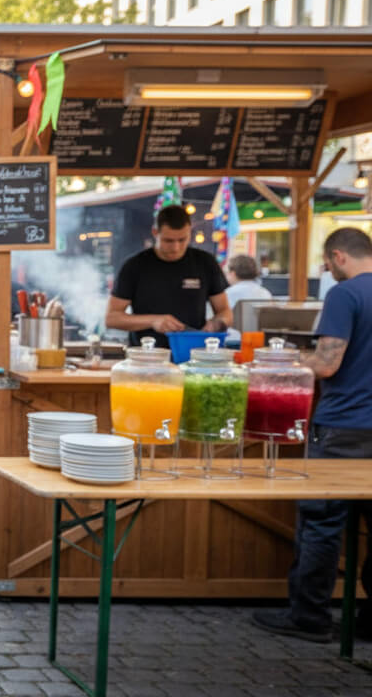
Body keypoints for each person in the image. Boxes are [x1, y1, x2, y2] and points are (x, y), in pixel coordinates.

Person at [252, 228, 372, 643]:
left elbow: (326, 365)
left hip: (344, 428)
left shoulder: (345, 294)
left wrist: (284, 359)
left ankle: (309, 616)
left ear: (338, 256)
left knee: (322, 521)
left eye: (326, 263)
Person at [104, 205, 231, 344]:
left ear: (190, 232)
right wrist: (153, 321)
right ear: (155, 232)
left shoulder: (206, 262)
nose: (176, 248)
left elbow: (225, 312)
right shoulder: (134, 266)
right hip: (146, 356)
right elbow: (112, 318)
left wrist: (216, 324)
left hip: (193, 352)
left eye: (182, 240)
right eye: (168, 241)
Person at [223, 253, 273, 341]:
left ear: (233, 273)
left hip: (233, 341)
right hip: (260, 340)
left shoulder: (229, 293)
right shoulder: (265, 293)